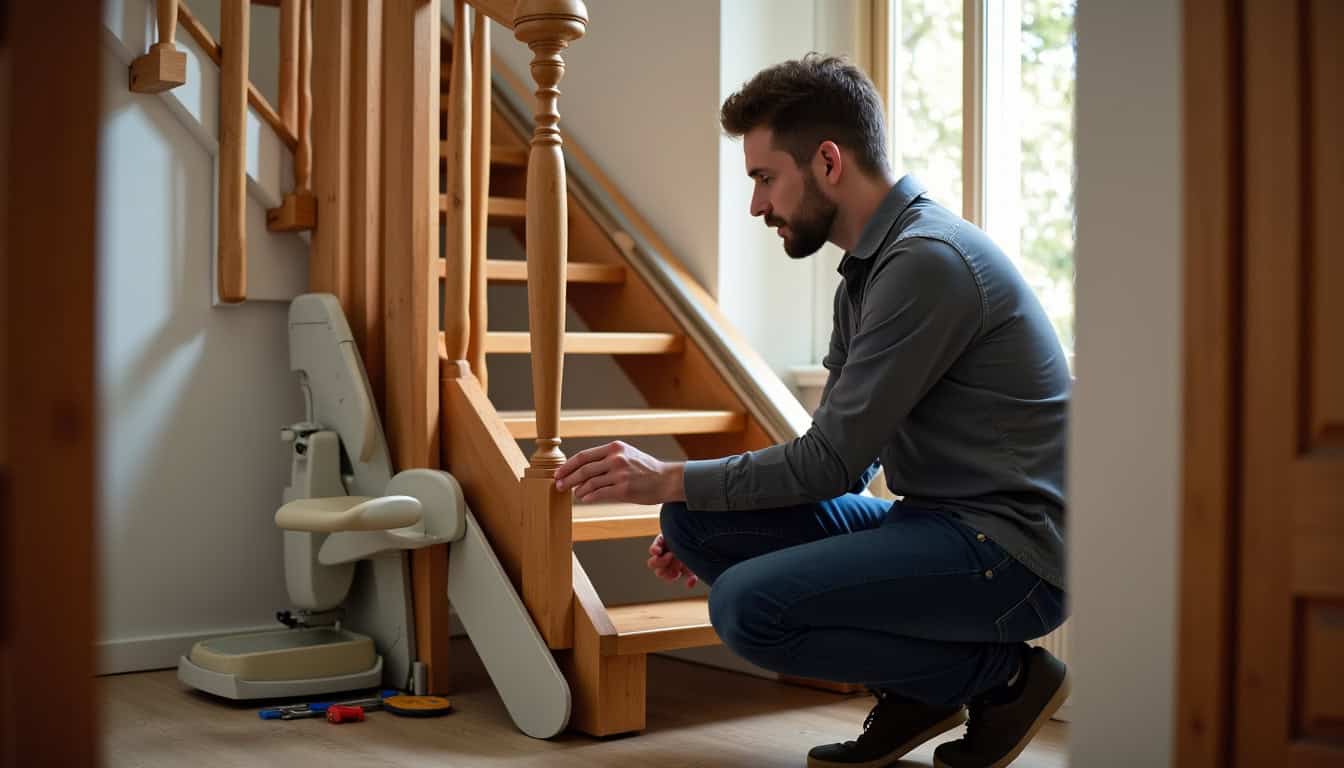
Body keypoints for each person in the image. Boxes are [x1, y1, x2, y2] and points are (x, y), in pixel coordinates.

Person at [553, 53, 1070, 768]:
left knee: (745, 607)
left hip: (1011, 554)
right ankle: (924, 691)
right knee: (693, 521)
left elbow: (827, 465)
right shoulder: (867, 276)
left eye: (765, 178)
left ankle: (1002, 679)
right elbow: (846, 462)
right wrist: (706, 503)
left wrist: (669, 475)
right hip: (938, 524)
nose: (756, 205)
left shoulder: (927, 262)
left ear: (828, 161)